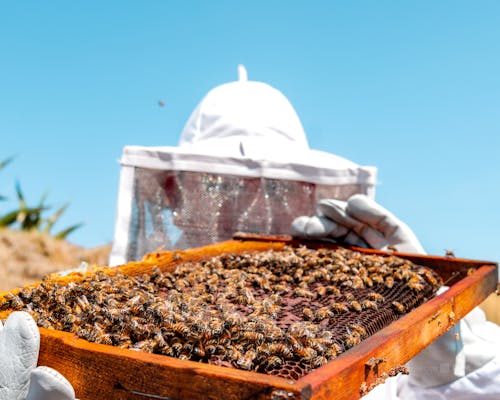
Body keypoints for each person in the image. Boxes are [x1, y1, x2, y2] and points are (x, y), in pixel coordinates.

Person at [2, 66, 499, 399]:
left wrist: (460, 358)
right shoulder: (82, 306)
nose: (245, 207)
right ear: (174, 192)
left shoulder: (356, 343)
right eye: (217, 185)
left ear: (305, 191)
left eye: (270, 189)